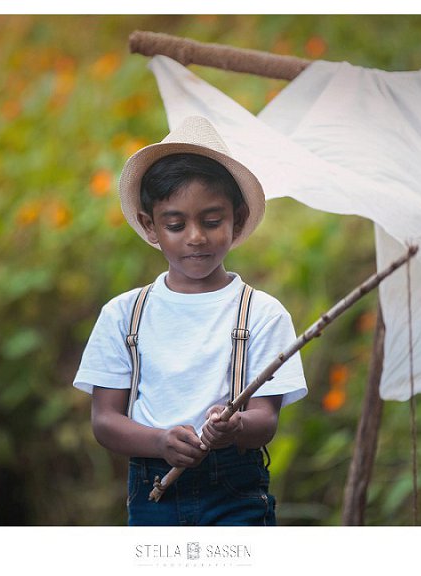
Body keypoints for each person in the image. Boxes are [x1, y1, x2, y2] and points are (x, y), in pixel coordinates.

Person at [73, 116, 307, 526]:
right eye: (176, 224)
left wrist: (235, 426)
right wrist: (159, 441)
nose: (196, 236)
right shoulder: (123, 315)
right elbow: (105, 421)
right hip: (153, 491)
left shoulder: (262, 314)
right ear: (150, 226)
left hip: (235, 493)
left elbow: (265, 419)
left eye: (212, 221)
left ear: (237, 218)